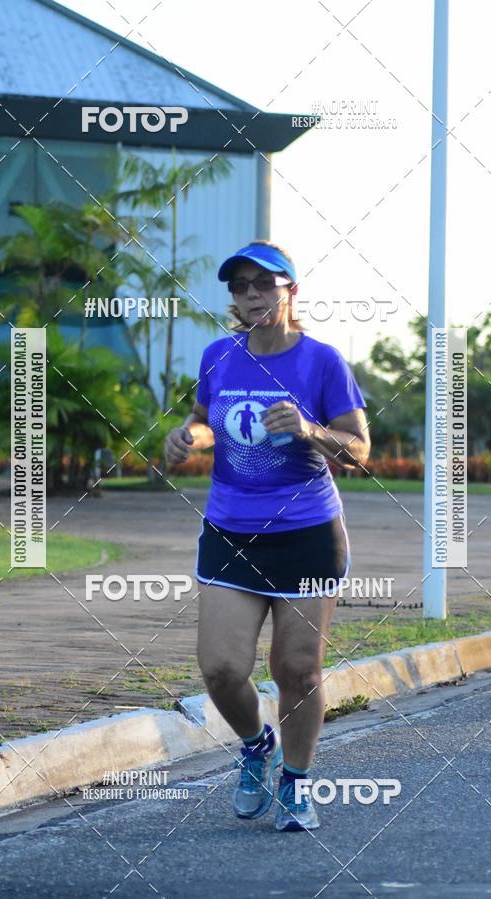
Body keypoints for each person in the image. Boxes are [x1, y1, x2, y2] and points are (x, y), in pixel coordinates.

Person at [163, 240, 370, 831]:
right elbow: (207, 424)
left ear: (290, 291)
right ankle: (257, 746)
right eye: (239, 285)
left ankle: (297, 782)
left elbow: (359, 451)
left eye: (264, 283)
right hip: (230, 531)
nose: (251, 293)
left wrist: (310, 430)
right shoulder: (218, 356)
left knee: (298, 671)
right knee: (222, 669)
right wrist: (189, 439)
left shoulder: (323, 362)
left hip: (306, 534)